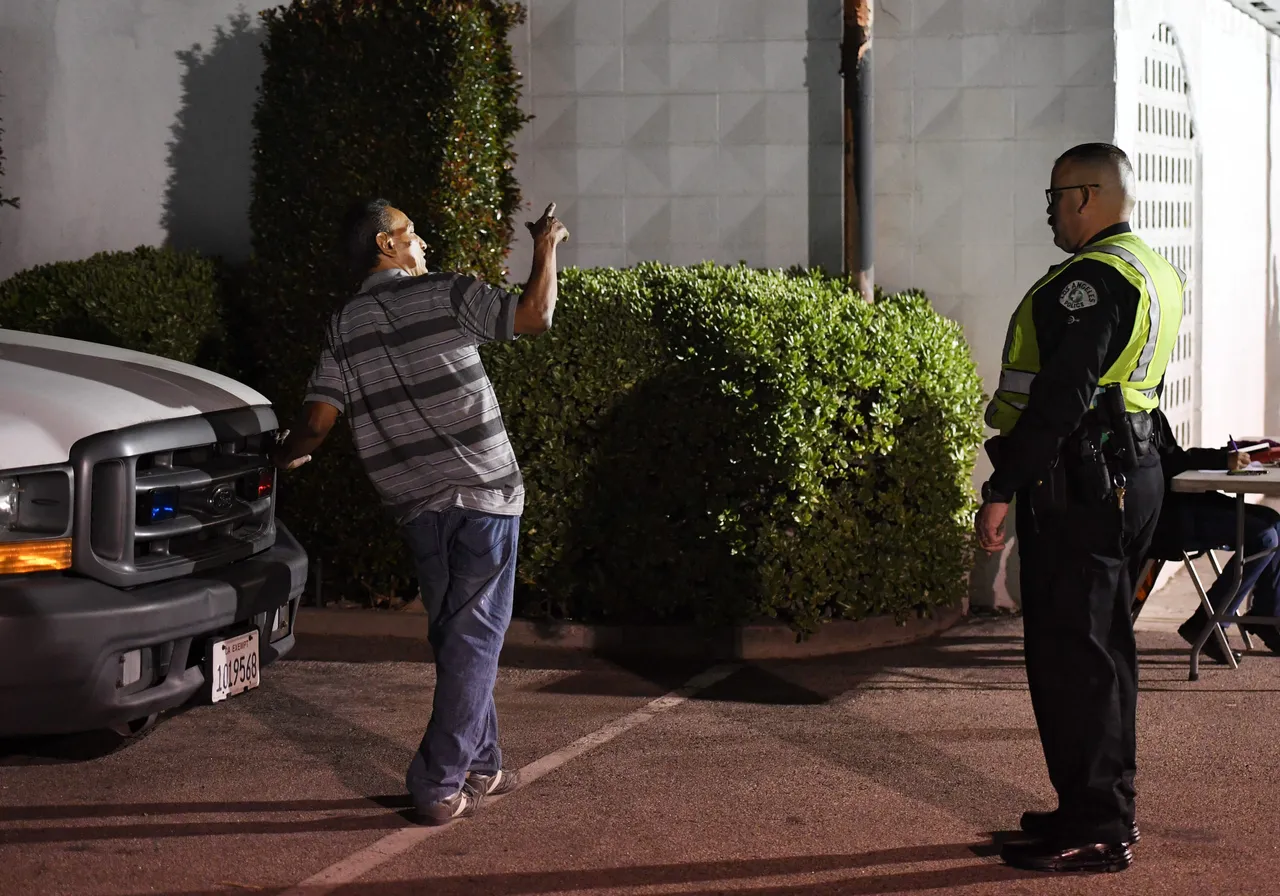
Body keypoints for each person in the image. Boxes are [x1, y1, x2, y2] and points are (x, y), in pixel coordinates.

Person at [272, 198, 570, 825]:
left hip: (414, 503)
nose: (423, 239)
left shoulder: (342, 326)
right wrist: (545, 247)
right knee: (474, 638)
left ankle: (481, 764)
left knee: (458, 635)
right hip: (484, 495)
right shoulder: (442, 294)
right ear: (386, 245)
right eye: (411, 231)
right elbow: (534, 315)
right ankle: (436, 782)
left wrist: (281, 461)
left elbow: (317, 423)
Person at [976, 143, 1184, 873]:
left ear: (1086, 198)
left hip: (1083, 487)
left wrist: (1001, 489)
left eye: (1053, 197)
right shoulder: (1151, 268)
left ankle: (1098, 825)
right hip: (1131, 473)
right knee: (1103, 653)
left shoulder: (1089, 283)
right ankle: (1091, 805)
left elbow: (1062, 398)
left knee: (1075, 659)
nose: (1049, 212)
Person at [1146, 410, 1280, 659]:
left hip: (1187, 503)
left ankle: (1267, 615)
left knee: (1274, 522)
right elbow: (1169, 463)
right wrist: (1221, 459)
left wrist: (1230, 456)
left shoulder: (1150, 411)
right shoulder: (1122, 419)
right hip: (1169, 520)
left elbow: (1176, 457)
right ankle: (1206, 624)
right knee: (1264, 537)